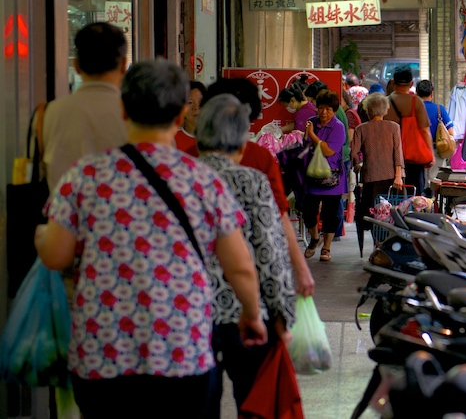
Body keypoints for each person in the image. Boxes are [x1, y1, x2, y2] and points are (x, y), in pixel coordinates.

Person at [35, 59, 266, 416]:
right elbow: (240, 268)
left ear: (123, 110)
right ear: (180, 116)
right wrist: (251, 314)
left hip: (103, 351)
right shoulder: (203, 180)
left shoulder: (86, 175)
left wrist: (41, 235)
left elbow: (55, 256)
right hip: (182, 348)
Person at [195, 94, 296, 413]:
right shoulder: (251, 180)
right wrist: (283, 313)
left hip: (192, 313)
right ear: (242, 142)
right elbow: (270, 251)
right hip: (246, 313)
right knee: (252, 402)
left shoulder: (181, 177)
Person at [191, 78, 315, 298]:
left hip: (196, 279)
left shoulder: (188, 159)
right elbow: (278, 219)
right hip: (250, 276)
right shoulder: (260, 158)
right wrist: (300, 270)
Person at [41, 22, 129, 191]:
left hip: (61, 216)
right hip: (122, 216)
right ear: (124, 65)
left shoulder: (48, 114)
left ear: (76, 66)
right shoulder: (140, 115)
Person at [351, 93, 404, 254]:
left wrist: (357, 166)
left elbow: (353, 153)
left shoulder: (361, 129)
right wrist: (398, 175)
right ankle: (388, 245)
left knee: (375, 213)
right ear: (384, 110)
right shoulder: (394, 127)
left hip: (371, 177)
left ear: (368, 111)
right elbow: (398, 153)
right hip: (392, 178)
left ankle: (377, 245)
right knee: (391, 212)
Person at [302, 89, 348, 262]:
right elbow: (305, 144)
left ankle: (326, 247)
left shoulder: (338, 126)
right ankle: (314, 238)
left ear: (334, 111)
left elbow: (328, 150)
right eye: (321, 108)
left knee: (330, 215)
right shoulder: (311, 122)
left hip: (332, 177)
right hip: (312, 175)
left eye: (328, 109)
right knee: (308, 211)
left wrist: (312, 134)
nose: (324, 112)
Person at [383, 67, 434, 193]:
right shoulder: (416, 102)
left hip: (390, 155)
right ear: (411, 84)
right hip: (413, 156)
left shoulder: (384, 103)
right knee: (415, 195)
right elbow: (425, 130)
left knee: (392, 195)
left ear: (393, 83)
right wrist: (430, 154)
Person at [417, 79, 453, 189]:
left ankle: (421, 205)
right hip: (437, 152)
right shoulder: (439, 109)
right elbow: (451, 132)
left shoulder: (413, 110)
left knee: (419, 186)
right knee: (436, 186)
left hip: (417, 153)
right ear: (432, 94)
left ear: (417, 94)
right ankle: (435, 205)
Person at [175, 80, 207, 152]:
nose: (196, 107)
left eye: (200, 101)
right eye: (190, 102)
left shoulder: (216, 138)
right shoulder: (173, 138)